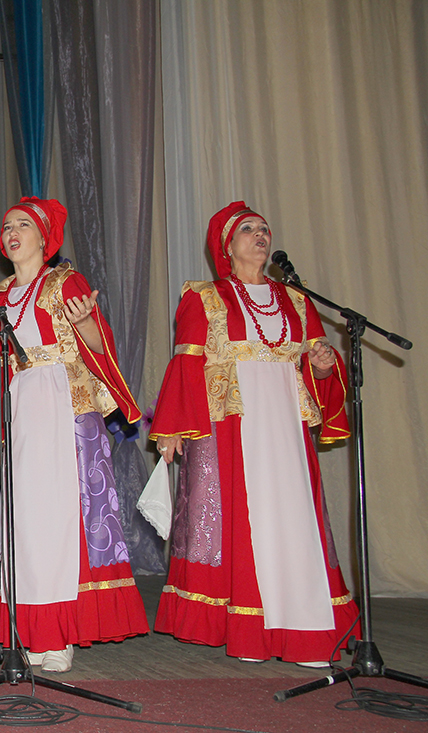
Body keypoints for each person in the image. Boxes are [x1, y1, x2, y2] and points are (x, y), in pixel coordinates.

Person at [151, 201, 358, 666]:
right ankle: (247, 623)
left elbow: (317, 367)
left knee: (293, 516)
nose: (260, 235)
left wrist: (324, 367)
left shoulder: (297, 301)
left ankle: (304, 621)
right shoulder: (205, 297)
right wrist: (172, 428)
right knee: (239, 518)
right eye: (248, 229)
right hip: (229, 423)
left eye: (264, 228)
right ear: (227, 245)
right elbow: (185, 364)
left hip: (284, 425)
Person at [0, 197, 149, 673]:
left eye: (23, 225)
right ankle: (31, 631)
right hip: (20, 411)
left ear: (44, 237)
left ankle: (60, 634)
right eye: (7, 226)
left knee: (63, 520)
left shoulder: (65, 282)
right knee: (25, 523)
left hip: (66, 407)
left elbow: (100, 344)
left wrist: (86, 324)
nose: (12, 232)